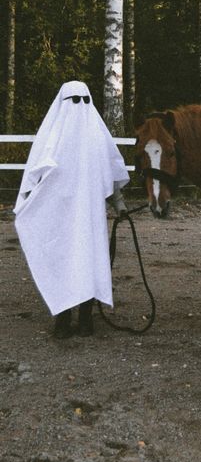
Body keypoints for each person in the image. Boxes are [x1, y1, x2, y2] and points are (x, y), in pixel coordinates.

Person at [14, 80, 129, 338]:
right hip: (59, 217)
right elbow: (35, 174)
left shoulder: (97, 136)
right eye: (73, 100)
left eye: (84, 99)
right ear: (63, 102)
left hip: (89, 219)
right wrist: (29, 204)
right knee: (62, 262)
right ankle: (63, 318)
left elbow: (109, 171)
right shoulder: (52, 138)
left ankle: (86, 318)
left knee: (89, 263)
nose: (79, 106)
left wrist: (119, 204)